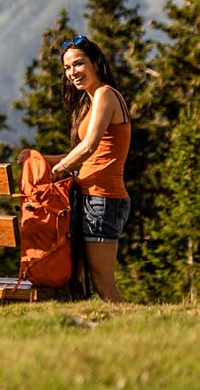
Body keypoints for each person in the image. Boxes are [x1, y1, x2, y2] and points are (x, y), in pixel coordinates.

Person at [21, 35, 131, 302]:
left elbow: (90, 147)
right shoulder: (91, 101)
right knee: (80, 283)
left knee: (103, 283)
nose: (72, 73)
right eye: (67, 68)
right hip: (89, 199)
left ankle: (134, 333)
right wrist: (39, 159)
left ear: (96, 63)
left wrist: (57, 169)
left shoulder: (105, 94)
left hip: (104, 199)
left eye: (78, 64)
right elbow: (83, 153)